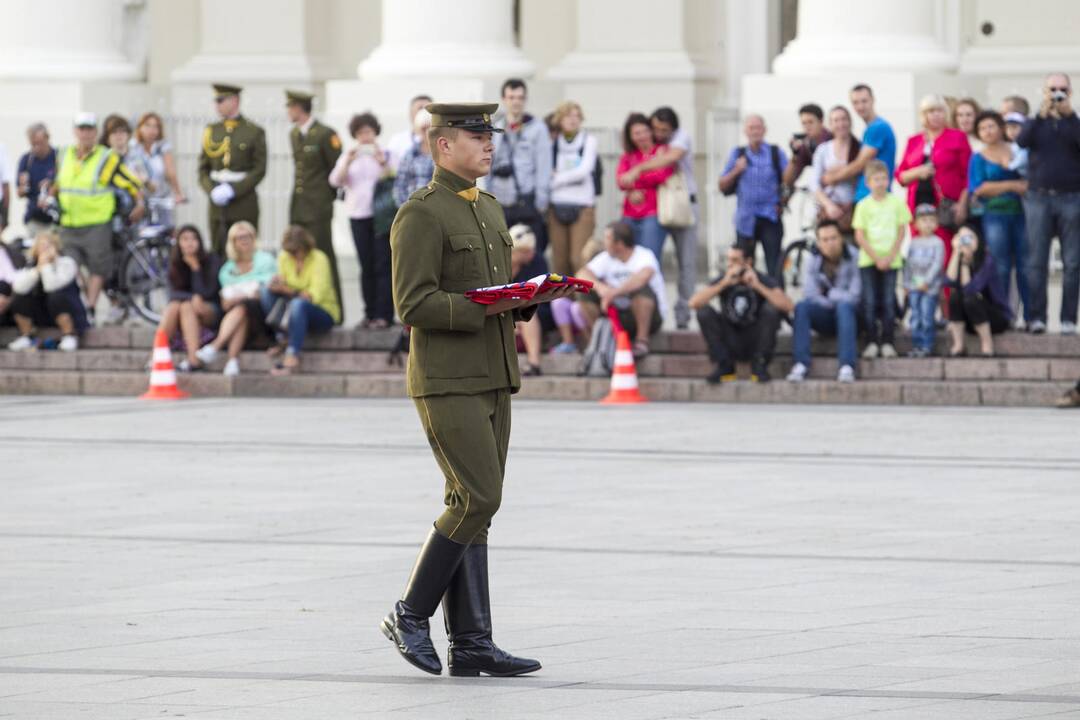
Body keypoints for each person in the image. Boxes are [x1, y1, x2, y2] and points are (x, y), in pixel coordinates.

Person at [384, 102, 569, 678]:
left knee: (475, 510)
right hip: (446, 379)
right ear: (442, 146)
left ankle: (472, 642)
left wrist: (524, 301)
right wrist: (486, 304)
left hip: (493, 373)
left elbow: (492, 293)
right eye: (475, 137)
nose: (489, 146)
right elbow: (412, 304)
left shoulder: (489, 208)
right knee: (478, 497)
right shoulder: (421, 214)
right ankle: (410, 613)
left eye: (490, 137)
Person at [51, 112, 143, 322]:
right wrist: (50, 194)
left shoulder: (106, 157)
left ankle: (90, 309)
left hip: (97, 223)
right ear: (75, 131)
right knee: (69, 266)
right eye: (81, 129)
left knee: (97, 267)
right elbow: (58, 182)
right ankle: (84, 303)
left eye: (89, 129)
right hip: (69, 223)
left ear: (96, 132)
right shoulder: (64, 154)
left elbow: (130, 181)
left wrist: (140, 202)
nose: (85, 133)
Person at [619, 106, 699, 328]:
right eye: (655, 128)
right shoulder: (651, 145)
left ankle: (683, 315)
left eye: (664, 130)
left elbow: (666, 163)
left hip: (681, 205)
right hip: (656, 207)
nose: (658, 133)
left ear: (673, 128)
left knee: (686, 261)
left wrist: (637, 172)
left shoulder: (678, 139)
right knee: (650, 259)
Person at [1017, 72, 1080, 335]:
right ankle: (1036, 317)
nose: (1057, 94)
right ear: (1044, 91)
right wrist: (1041, 113)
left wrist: (1069, 115)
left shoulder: (1074, 122)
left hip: (1071, 197)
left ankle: (1068, 319)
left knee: (1073, 262)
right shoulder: (1037, 122)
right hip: (1039, 198)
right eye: (1052, 89)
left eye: (1062, 89)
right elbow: (1022, 141)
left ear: (1070, 92)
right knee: (1036, 261)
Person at [689, 241, 792, 384]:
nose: (730, 264)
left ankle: (759, 365)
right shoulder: (725, 279)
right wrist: (723, 284)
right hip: (731, 337)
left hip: (755, 338)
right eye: (728, 260)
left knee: (772, 310)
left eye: (735, 260)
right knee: (704, 312)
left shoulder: (761, 279)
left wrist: (758, 286)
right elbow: (693, 303)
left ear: (748, 262)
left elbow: (788, 306)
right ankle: (724, 365)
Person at [482, 79, 552, 279]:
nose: (516, 102)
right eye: (511, 97)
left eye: (520, 98)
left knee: (530, 256)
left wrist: (540, 202)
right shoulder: (496, 127)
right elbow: (487, 162)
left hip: (526, 200)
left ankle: (533, 305)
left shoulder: (537, 128)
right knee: (500, 256)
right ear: (504, 99)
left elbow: (543, 165)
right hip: (500, 201)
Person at [330, 112, 394, 328]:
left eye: (368, 132)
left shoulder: (385, 153)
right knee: (366, 265)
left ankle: (385, 314)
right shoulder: (350, 155)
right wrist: (347, 161)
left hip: (381, 216)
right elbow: (336, 180)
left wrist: (382, 162)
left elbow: (395, 179)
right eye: (360, 133)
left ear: (375, 132)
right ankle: (369, 313)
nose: (365, 137)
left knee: (383, 264)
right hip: (358, 215)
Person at [896, 94, 972, 270]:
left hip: (945, 205)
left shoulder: (957, 137)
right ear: (924, 115)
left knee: (944, 253)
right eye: (931, 111)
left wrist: (962, 204)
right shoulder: (914, 141)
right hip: (917, 205)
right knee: (921, 254)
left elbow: (968, 175)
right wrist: (917, 172)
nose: (935, 115)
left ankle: (944, 295)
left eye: (939, 111)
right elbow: (901, 176)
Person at [970, 110, 1030, 327]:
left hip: (1021, 215)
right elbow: (979, 188)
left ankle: (1031, 316)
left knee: (1025, 265)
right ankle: (1004, 315)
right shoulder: (978, 157)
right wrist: (1012, 185)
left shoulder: (1016, 151)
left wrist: (1006, 185)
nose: (987, 131)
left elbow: (1028, 179)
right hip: (994, 216)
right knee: (1001, 266)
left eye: (991, 126)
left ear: (1000, 127)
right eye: (982, 128)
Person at [286, 90, 344, 312]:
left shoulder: (325, 134)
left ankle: (334, 308)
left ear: (300, 108)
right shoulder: (294, 134)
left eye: (291, 107)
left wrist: (326, 198)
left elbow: (336, 171)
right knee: (299, 254)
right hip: (299, 205)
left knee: (323, 255)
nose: (288, 112)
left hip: (319, 206)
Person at [195, 221, 277, 376]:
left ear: (254, 238)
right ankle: (232, 361)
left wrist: (240, 294)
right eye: (239, 238)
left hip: (263, 316)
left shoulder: (266, 260)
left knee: (243, 307)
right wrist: (246, 292)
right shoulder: (228, 269)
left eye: (247, 236)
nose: (244, 240)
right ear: (233, 243)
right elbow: (225, 303)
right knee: (241, 311)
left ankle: (216, 346)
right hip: (239, 316)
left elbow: (266, 290)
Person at [576, 220, 666, 359]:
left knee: (641, 290)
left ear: (619, 244)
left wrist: (613, 293)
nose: (604, 243)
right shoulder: (606, 258)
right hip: (616, 315)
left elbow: (643, 276)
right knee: (584, 292)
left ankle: (642, 341)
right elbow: (581, 274)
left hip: (649, 317)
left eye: (607, 238)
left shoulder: (644, 255)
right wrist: (601, 289)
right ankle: (601, 338)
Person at [786, 220, 862, 383]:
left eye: (833, 238)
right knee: (802, 307)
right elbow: (810, 294)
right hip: (826, 315)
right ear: (819, 242)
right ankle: (800, 364)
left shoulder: (855, 256)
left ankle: (846, 366)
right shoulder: (813, 259)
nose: (830, 243)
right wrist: (832, 300)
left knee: (844, 307)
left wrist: (830, 294)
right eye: (825, 240)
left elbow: (855, 296)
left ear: (841, 238)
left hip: (852, 316)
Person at [198, 83, 267, 257]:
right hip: (217, 204)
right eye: (216, 101)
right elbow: (202, 169)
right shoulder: (211, 130)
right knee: (218, 250)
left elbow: (259, 170)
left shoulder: (253, 131)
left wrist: (233, 190)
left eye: (221, 100)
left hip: (243, 203)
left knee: (245, 250)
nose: (217, 105)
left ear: (234, 100)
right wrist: (211, 190)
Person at [261, 226, 340, 375]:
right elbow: (283, 282)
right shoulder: (284, 257)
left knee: (298, 304)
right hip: (292, 309)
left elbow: (312, 296)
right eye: (289, 252)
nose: (292, 255)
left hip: (321, 312)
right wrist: (276, 285)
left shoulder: (319, 259)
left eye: (295, 251)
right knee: (266, 292)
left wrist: (287, 290)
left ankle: (292, 354)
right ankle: (282, 337)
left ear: (305, 247)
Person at [852, 159, 911, 359]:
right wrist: (877, 257)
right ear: (868, 182)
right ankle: (870, 340)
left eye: (883, 178)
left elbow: (901, 231)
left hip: (891, 260)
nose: (880, 182)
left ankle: (887, 341)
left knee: (888, 301)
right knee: (869, 301)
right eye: (876, 179)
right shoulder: (863, 205)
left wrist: (891, 256)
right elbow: (860, 235)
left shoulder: (896, 203)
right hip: (869, 261)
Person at [718, 114, 788, 278]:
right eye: (751, 128)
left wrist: (782, 203)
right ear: (745, 131)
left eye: (758, 127)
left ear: (764, 130)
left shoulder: (775, 153)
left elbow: (788, 181)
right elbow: (722, 184)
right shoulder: (738, 153)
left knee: (774, 264)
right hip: (745, 219)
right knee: (744, 265)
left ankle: (776, 299)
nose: (755, 131)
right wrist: (737, 170)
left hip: (770, 216)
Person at [6, 231, 88, 352]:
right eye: (41, 246)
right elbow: (18, 288)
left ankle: (69, 335)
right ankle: (26, 335)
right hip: (43, 313)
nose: (44, 250)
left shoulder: (66, 263)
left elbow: (52, 286)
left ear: (56, 247)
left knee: (56, 296)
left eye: (48, 246)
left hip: (68, 311)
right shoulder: (31, 265)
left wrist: (46, 266)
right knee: (19, 298)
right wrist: (37, 270)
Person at [158, 224, 222, 372]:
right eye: (185, 239)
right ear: (178, 243)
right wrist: (192, 297)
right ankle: (158, 355)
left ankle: (193, 359)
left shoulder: (211, 260)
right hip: (185, 311)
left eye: (194, 239)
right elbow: (172, 294)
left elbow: (208, 292)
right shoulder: (175, 263)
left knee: (186, 306)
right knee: (176, 306)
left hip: (210, 309)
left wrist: (195, 268)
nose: (190, 243)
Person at [547, 101, 598, 278]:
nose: (573, 120)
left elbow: (584, 171)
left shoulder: (588, 140)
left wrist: (556, 180)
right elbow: (545, 170)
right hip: (557, 206)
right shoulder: (552, 141)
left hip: (582, 205)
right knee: (560, 262)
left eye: (577, 116)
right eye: (569, 115)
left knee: (579, 258)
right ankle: (562, 304)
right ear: (560, 119)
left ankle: (582, 304)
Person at [822, 84, 897, 204]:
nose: (860, 106)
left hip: (874, 198)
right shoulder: (869, 129)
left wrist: (832, 178)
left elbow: (860, 164)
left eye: (864, 101)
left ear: (873, 100)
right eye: (856, 102)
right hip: (867, 197)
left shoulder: (877, 128)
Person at [615, 112, 674, 263]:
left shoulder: (662, 151)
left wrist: (634, 176)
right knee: (628, 259)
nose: (642, 136)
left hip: (653, 213)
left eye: (645, 131)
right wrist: (631, 190)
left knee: (649, 259)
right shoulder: (628, 156)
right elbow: (620, 181)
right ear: (630, 136)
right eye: (636, 133)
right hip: (629, 214)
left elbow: (661, 175)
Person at [946, 224, 1012, 357]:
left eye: (969, 237)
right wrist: (955, 252)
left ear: (978, 240)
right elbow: (948, 281)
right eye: (962, 237)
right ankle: (959, 345)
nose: (966, 242)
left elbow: (971, 289)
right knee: (954, 297)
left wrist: (965, 264)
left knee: (971, 299)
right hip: (971, 320)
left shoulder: (987, 260)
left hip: (995, 318)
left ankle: (987, 344)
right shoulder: (958, 257)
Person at [809, 106, 861, 233]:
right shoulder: (823, 150)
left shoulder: (860, 148)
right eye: (836, 120)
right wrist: (828, 205)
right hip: (828, 209)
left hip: (853, 210)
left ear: (850, 122)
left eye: (844, 119)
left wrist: (834, 175)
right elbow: (814, 183)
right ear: (830, 125)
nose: (840, 124)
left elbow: (862, 176)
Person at [128, 112, 185, 228]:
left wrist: (178, 193)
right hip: (141, 200)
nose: (152, 130)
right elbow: (133, 171)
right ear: (140, 128)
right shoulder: (133, 147)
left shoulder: (162, 146)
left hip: (161, 198)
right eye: (148, 125)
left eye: (155, 127)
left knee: (165, 231)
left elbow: (170, 172)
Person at [903, 204, 946, 357]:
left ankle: (927, 345)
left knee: (927, 316)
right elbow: (907, 265)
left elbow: (937, 264)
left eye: (931, 220)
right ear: (916, 224)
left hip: (930, 288)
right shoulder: (913, 243)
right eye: (923, 220)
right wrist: (906, 284)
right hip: (914, 287)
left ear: (936, 223)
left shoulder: (938, 243)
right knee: (916, 317)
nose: (927, 224)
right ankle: (916, 345)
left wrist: (926, 282)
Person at [508, 224, 544, 376]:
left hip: (527, 316)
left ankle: (534, 363)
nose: (530, 254)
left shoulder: (536, 263)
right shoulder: (498, 266)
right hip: (501, 314)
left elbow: (542, 296)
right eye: (524, 251)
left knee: (527, 313)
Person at [16, 123, 58, 238]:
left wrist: (51, 185)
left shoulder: (58, 157)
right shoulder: (27, 160)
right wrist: (23, 186)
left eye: (40, 143)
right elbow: (19, 193)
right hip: (34, 219)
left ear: (47, 138)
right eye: (33, 144)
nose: (36, 148)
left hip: (54, 219)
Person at [783, 103, 832, 190]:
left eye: (810, 122)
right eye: (804, 123)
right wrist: (795, 154)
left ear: (821, 121)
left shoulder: (833, 139)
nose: (807, 127)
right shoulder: (806, 145)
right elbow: (788, 181)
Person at [393, 109, 435, 206]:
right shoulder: (409, 154)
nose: (427, 132)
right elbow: (400, 185)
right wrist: (405, 209)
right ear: (417, 130)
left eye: (430, 128)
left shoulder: (444, 154)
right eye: (423, 128)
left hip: (438, 209)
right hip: (413, 208)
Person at [386, 94, 432, 172]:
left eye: (428, 109)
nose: (424, 112)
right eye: (420, 108)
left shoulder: (442, 140)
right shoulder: (397, 140)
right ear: (411, 113)